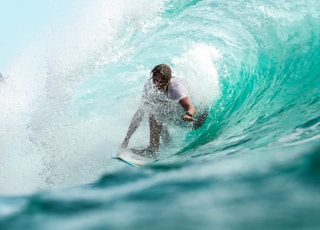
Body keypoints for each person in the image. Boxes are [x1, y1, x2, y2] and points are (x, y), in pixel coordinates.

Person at [120, 64, 199, 157]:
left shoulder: (176, 88)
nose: (157, 84)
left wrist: (188, 115)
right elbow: (140, 113)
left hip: (195, 120)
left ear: (168, 81)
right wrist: (126, 139)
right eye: (155, 80)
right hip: (178, 115)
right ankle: (168, 143)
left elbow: (191, 108)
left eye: (161, 82)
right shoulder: (149, 86)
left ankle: (153, 150)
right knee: (154, 108)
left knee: (155, 114)